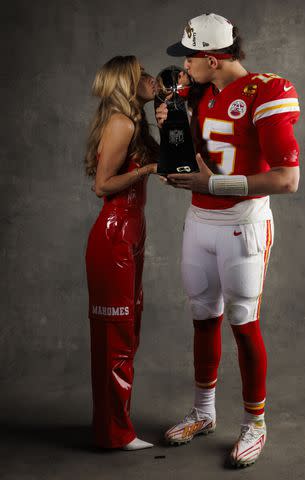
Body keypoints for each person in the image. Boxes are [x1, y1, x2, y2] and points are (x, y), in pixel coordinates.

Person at [156, 13, 300, 467]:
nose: (185, 66)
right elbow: (189, 143)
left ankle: (255, 422)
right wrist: (170, 117)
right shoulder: (200, 90)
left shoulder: (267, 91)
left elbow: (287, 179)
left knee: (243, 323)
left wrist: (212, 184)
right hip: (199, 221)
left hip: (242, 222)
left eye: (191, 58)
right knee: (202, 317)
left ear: (214, 59)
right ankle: (204, 412)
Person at [84, 55, 158, 450]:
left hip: (129, 234)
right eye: (141, 74)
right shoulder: (121, 122)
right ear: (127, 84)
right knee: (116, 337)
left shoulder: (136, 122)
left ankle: (114, 426)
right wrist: (146, 171)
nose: (149, 78)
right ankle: (114, 433)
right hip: (114, 236)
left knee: (127, 334)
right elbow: (102, 185)